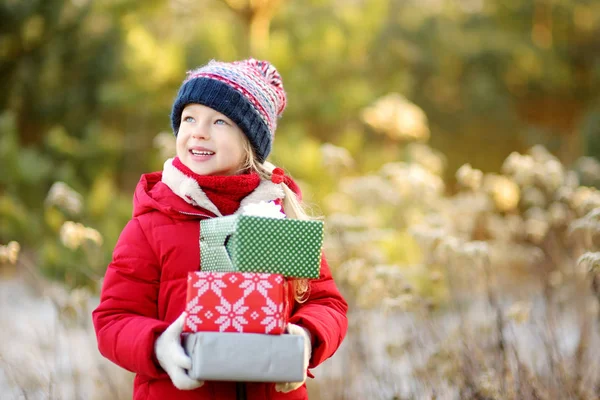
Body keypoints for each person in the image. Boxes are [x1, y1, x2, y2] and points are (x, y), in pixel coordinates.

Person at [92, 59, 348, 400]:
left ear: (249, 140)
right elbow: (113, 319)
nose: (199, 131)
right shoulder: (151, 225)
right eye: (189, 118)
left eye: (219, 120)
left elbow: (326, 303)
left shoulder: (280, 216)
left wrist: (307, 337)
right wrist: (159, 346)